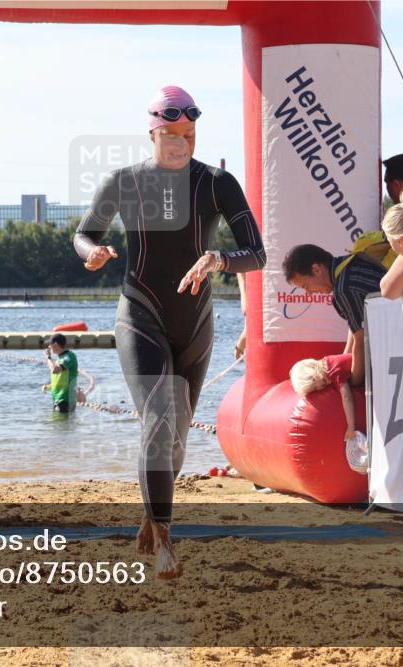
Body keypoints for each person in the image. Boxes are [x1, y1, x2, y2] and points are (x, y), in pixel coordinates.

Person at [74, 85, 266, 579]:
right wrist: (90, 253)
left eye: (191, 134)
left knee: (175, 440)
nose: (183, 144)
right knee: (158, 418)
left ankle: (149, 513)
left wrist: (219, 258)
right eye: (174, 135)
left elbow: (258, 253)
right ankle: (164, 540)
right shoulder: (125, 180)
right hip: (139, 314)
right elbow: (84, 233)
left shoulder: (216, 183)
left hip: (196, 324)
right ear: (154, 135)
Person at [282, 244, 380, 386]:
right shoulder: (349, 264)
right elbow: (356, 326)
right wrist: (344, 361)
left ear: (316, 269)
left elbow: (361, 341)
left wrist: (353, 383)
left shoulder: (343, 290)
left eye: (306, 286)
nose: (309, 293)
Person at [289, 355, 357, 443]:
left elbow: (346, 396)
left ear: (313, 372)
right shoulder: (326, 362)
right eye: (315, 389)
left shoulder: (333, 371)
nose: (319, 388)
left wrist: (351, 427)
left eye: (315, 386)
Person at [45, 334, 78, 414]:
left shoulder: (69, 356)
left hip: (66, 399)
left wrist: (48, 357)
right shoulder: (59, 359)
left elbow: (55, 370)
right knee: (57, 424)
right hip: (58, 399)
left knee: (62, 424)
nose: (49, 347)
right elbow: (61, 379)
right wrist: (49, 386)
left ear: (55, 345)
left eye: (50, 345)